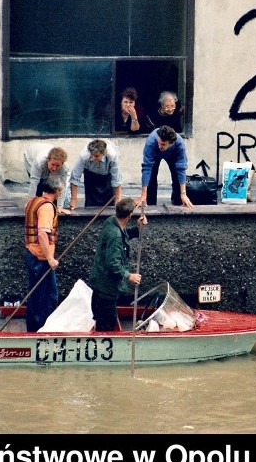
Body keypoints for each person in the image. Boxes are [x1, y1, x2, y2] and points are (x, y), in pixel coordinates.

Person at [88, 197, 148, 332]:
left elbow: (124, 234)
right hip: (106, 287)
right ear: (130, 215)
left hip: (100, 283)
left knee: (102, 318)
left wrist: (137, 228)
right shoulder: (115, 236)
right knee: (107, 323)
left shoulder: (111, 222)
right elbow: (113, 264)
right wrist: (129, 276)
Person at [23, 179, 64, 332]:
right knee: (47, 298)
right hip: (41, 258)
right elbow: (42, 234)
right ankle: (42, 331)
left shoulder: (33, 202)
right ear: (58, 192)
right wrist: (50, 259)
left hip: (31, 253)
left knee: (36, 296)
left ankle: (33, 329)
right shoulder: (47, 207)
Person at [138, 125, 193, 208]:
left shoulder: (179, 144)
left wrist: (183, 193)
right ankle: (149, 203)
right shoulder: (151, 142)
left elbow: (181, 169)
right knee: (151, 177)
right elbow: (146, 168)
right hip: (155, 153)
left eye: (163, 144)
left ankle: (179, 201)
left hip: (172, 154)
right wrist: (143, 195)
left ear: (171, 143)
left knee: (176, 177)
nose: (160, 146)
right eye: (159, 143)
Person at [67, 139, 123, 209]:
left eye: (96, 156)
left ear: (103, 153)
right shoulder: (83, 155)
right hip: (90, 175)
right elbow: (75, 178)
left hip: (107, 176)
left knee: (109, 203)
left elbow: (116, 179)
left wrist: (117, 199)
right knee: (90, 203)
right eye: (92, 155)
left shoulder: (112, 156)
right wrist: (73, 200)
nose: (93, 158)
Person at [23, 143, 71, 212]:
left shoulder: (65, 168)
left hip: (43, 151)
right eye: (53, 164)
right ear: (48, 160)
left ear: (62, 164)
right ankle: (37, 205)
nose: (54, 168)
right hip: (30, 157)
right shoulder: (39, 162)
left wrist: (60, 206)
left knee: (54, 185)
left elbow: (62, 187)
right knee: (40, 184)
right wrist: (30, 202)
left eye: (58, 166)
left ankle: (51, 206)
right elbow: (34, 182)